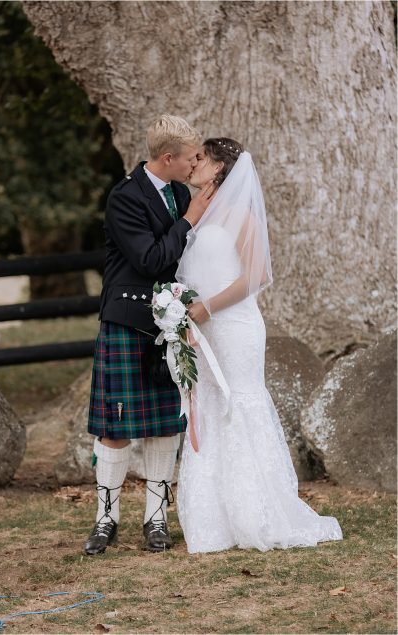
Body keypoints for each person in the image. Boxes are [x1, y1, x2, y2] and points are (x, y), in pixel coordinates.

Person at [175, 139, 342, 553]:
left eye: (202, 159)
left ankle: (257, 512)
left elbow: (255, 275)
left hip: (232, 325)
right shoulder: (194, 216)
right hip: (202, 328)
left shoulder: (239, 215)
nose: (193, 164)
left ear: (219, 169)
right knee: (210, 405)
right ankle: (214, 522)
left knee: (240, 403)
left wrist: (208, 308)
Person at [84, 115, 215, 556]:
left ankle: (156, 518)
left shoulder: (179, 192)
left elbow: (178, 264)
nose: (196, 163)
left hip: (169, 321)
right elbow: (150, 258)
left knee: (163, 425)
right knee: (115, 427)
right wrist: (191, 219)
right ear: (167, 158)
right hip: (126, 321)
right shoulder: (125, 197)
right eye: (191, 157)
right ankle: (106, 519)